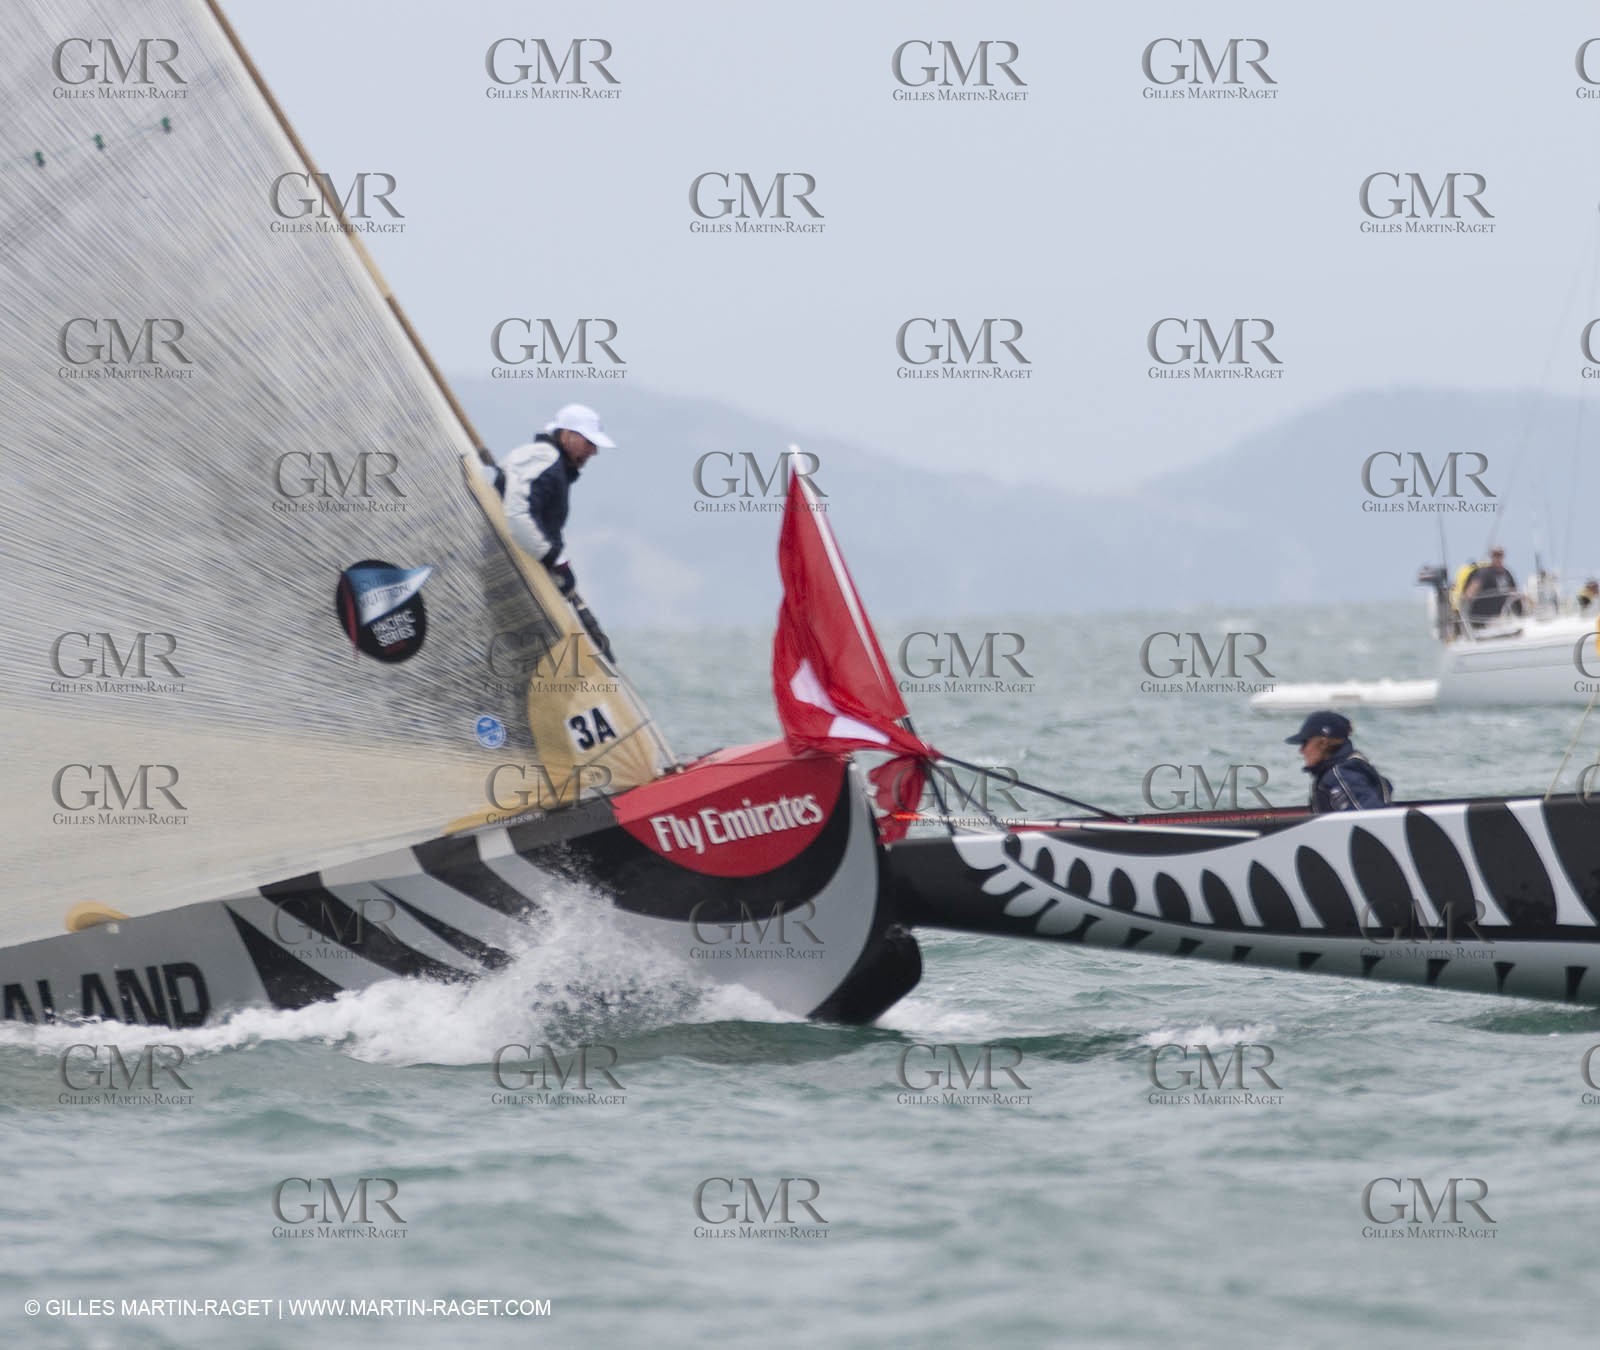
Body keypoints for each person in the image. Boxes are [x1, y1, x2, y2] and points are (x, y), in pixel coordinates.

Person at [492, 403, 616, 662]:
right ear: (567, 435)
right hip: (504, 570)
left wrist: (557, 563)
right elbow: (517, 516)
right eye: (589, 443)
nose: (593, 452)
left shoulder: (554, 465)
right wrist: (554, 559)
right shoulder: (543, 457)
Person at [1284, 710, 1392, 813]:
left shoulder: (1342, 775)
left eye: (1304, 743)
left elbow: (1371, 821)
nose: (1301, 751)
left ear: (1323, 743)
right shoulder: (1340, 771)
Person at [1461, 547, 1519, 626]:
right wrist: (1466, 599)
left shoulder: (1506, 573)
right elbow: (1473, 588)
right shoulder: (1485, 573)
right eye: (1495, 555)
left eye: (1499, 555)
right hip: (1488, 619)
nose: (1497, 558)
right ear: (1491, 557)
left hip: (1503, 615)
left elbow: (1514, 592)